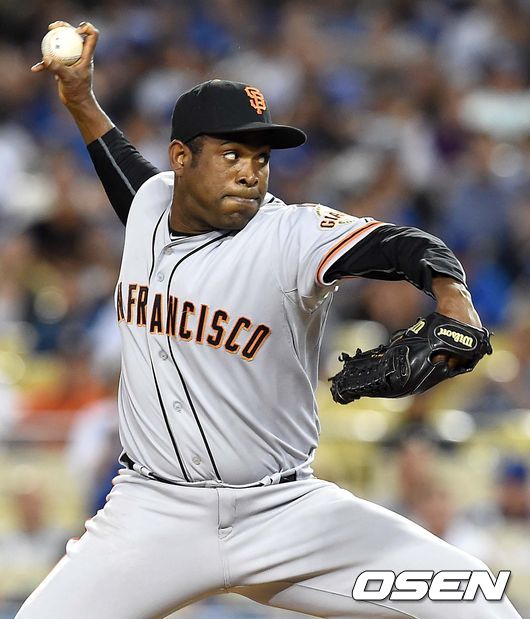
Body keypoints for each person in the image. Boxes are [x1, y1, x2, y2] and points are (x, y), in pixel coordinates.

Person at [18, 21, 522, 619]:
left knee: (474, 596)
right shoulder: (151, 203)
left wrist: (453, 297)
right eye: (231, 154)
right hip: (153, 511)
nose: (250, 172)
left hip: (283, 514)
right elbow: (123, 167)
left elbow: (402, 245)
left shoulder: (291, 235)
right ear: (180, 159)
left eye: (260, 158)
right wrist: (80, 99)